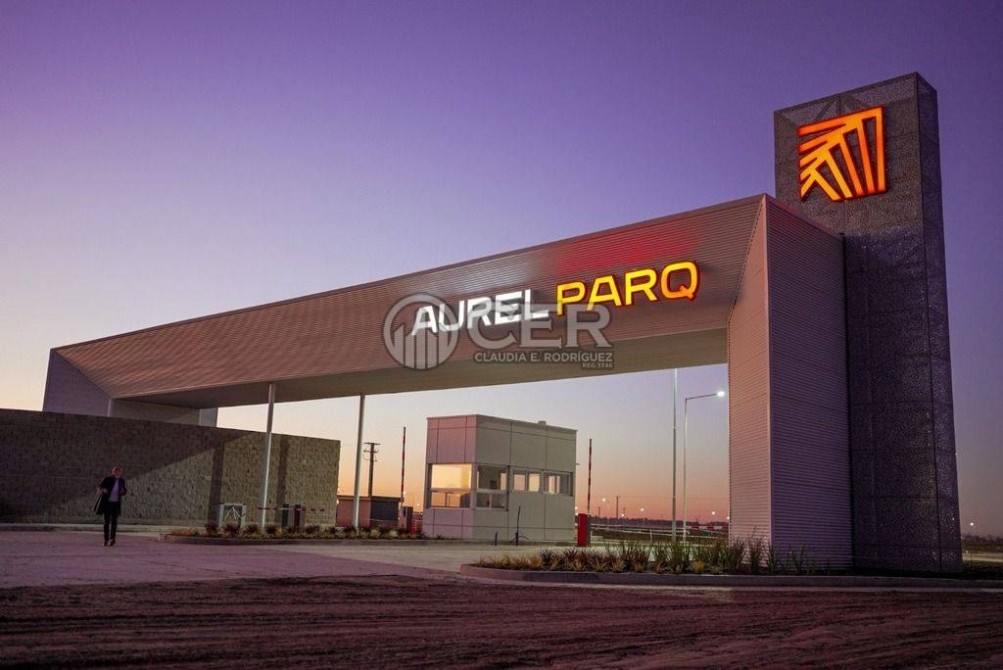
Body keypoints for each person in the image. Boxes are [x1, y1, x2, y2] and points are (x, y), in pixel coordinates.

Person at [97, 466, 128, 546]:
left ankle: (112, 539)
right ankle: (106, 539)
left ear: (121, 473)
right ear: (113, 472)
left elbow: (124, 490)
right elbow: (100, 486)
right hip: (107, 504)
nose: (117, 473)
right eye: (116, 472)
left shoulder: (121, 481)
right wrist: (103, 489)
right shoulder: (107, 479)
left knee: (114, 522)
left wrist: (123, 491)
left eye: (119, 472)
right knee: (106, 522)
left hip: (116, 504)